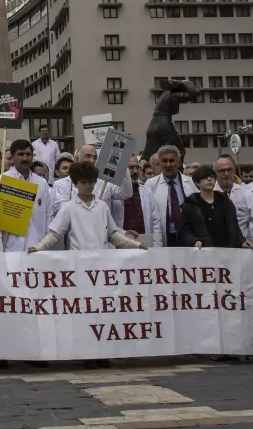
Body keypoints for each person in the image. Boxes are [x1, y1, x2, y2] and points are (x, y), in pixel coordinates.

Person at [30, 161, 140, 370]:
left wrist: (135, 245)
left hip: (103, 268)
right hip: (79, 268)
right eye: (83, 182)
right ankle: (87, 352)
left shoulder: (102, 207)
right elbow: (55, 234)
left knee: (104, 311)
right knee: (84, 312)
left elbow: (113, 235)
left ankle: (103, 352)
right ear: (75, 184)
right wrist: (38, 247)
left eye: (91, 182)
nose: (88, 186)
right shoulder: (69, 208)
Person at [213, 155, 253, 357]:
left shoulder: (246, 191)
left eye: (229, 170)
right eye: (221, 171)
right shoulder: (247, 193)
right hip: (231, 254)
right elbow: (242, 224)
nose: (226, 174)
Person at [0, 140, 50, 253]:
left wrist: (43, 247)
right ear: (12, 156)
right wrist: (0, 253)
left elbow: (48, 217)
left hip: (36, 249)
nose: (25, 158)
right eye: (20, 154)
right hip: (10, 249)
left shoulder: (42, 183)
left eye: (28, 154)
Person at [51, 144, 123, 239]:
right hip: (76, 244)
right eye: (88, 156)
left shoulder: (102, 203)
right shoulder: (66, 198)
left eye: (95, 157)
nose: (92, 161)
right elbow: (55, 232)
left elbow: (113, 234)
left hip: (103, 246)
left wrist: (122, 165)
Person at [180, 165, 250, 250]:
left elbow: (234, 227)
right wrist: (194, 241)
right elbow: (185, 231)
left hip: (227, 251)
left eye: (212, 177)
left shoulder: (226, 202)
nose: (209, 179)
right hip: (204, 252)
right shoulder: (190, 205)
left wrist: (242, 241)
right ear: (197, 183)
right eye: (205, 177)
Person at [142, 145, 198, 248]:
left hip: (188, 237)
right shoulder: (150, 184)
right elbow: (148, 217)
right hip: (164, 238)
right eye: (164, 161)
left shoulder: (190, 183)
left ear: (179, 163)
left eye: (172, 161)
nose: (168, 164)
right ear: (159, 163)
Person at [118, 156, 156, 242]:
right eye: (130, 168)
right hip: (120, 241)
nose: (135, 171)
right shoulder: (114, 193)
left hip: (144, 241)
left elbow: (155, 221)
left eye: (137, 168)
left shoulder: (147, 192)